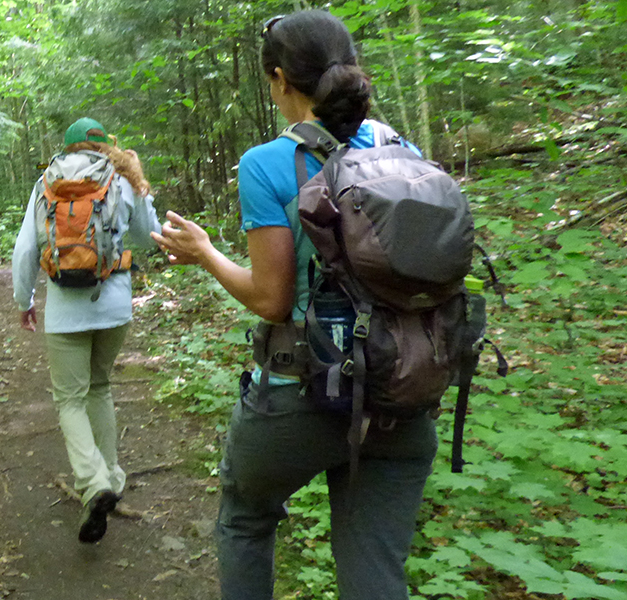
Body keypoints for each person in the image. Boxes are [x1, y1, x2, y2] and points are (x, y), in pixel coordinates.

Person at [151, 11, 436, 600]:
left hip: (302, 396)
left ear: (281, 79)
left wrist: (205, 252)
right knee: (376, 571)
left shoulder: (267, 164)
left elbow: (272, 299)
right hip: (403, 388)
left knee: (247, 520)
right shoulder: (401, 147)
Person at [12, 117, 161, 543]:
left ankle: (93, 482)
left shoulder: (47, 182)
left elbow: (25, 250)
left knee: (69, 399)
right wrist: (139, 182)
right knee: (100, 386)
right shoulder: (120, 177)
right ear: (103, 146)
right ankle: (110, 478)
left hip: (64, 309)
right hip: (113, 306)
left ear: (68, 146)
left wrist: (24, 302)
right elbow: (148, 237)